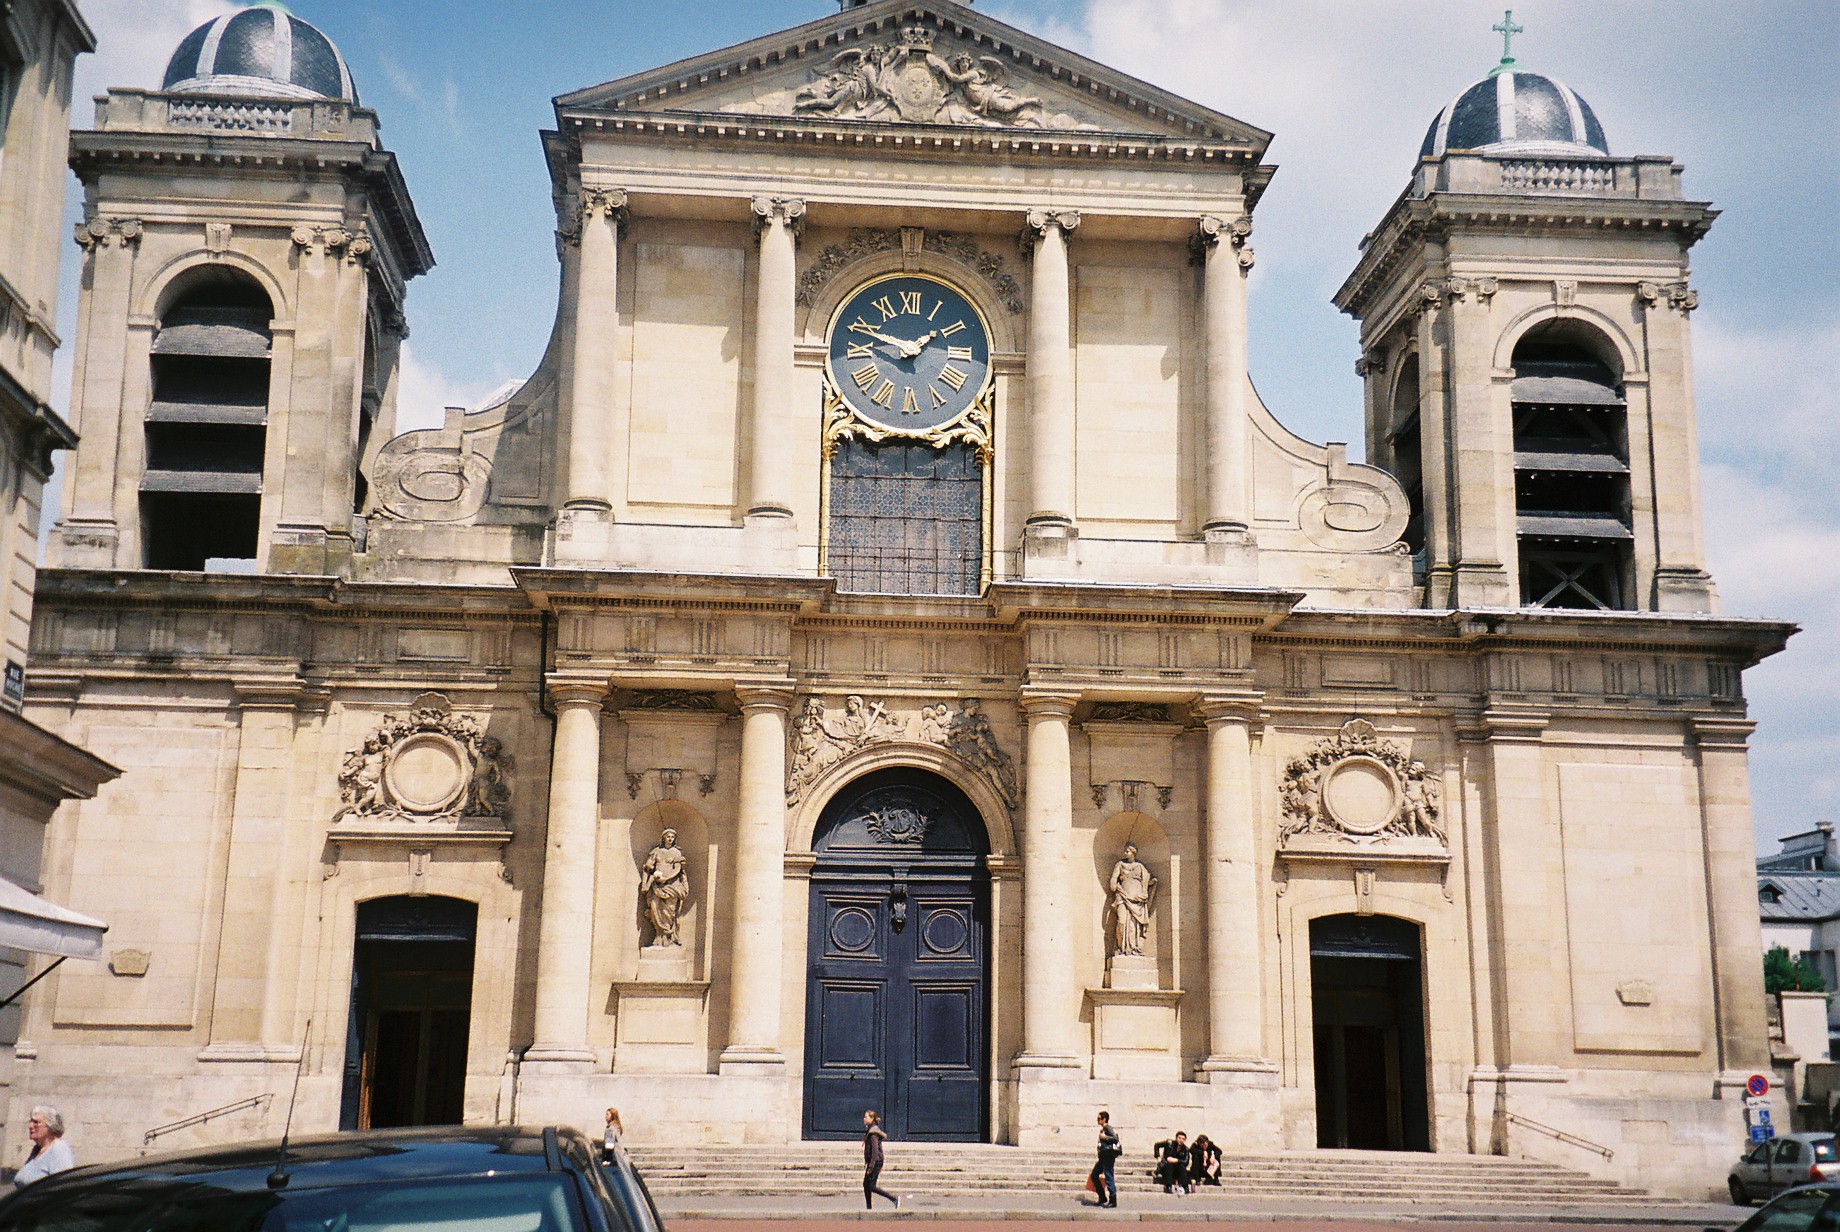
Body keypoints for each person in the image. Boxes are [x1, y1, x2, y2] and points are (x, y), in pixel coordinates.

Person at [639, 829, 690, 946]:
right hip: (656, 885)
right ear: (663, 838)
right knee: (655, 909)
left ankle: (668, 936)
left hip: (671, 886)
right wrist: (648, 877)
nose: (670, 839)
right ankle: (658, 935)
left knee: (669, 911)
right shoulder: (656, 852)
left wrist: (666, 878)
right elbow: (648, 867)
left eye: (672, 837)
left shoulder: (676, 852)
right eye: (668, 836)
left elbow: (677, 869)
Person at [1108, 843, 1158, 957]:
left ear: (1133, 852)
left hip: (1136, 898)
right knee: (1122, 921)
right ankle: (1122, 947)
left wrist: (1152, 883)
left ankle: (1134, 947)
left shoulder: (1140, 866)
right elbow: (1114, 878)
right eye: (1125, 851)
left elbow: (1146, 880)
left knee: (1134, 924)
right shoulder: (1120, 864)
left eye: (1127, 851)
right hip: (1123, 895)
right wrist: (1113, 883)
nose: (1125, 853)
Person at [16, 1106, 74, 1187]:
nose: (30, 1126)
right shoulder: (37, 1149)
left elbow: (63, 1186)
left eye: (36, 1122)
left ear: (50, 1126)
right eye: (30, 1121)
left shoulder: (59, 1149)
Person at [861, 1110, 899, 1209]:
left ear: (872, 1119)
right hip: (874, 1161)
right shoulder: (870, 1130)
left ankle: (894, 1199)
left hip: (875, 1161)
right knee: (866, 1184)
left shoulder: (873, 1133)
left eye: (866, 1117)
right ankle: (869, 1207)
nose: (864, 1119)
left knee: (871, 1186)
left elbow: (875, 1151)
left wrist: (871, 1167)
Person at [1087, 1109, 1120, 1207]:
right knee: (1094, 1175)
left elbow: (1115, 1138)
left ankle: (1113, 1200)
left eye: (1099, 1118)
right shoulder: (1103, 1129)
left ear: (1104, 1119)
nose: (1098, 1120)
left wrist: (1104, 1137)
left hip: (1108, 1157)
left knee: (1109, 1177)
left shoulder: (1108, 1128)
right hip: (1103, 1158)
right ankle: (1102, 1197)